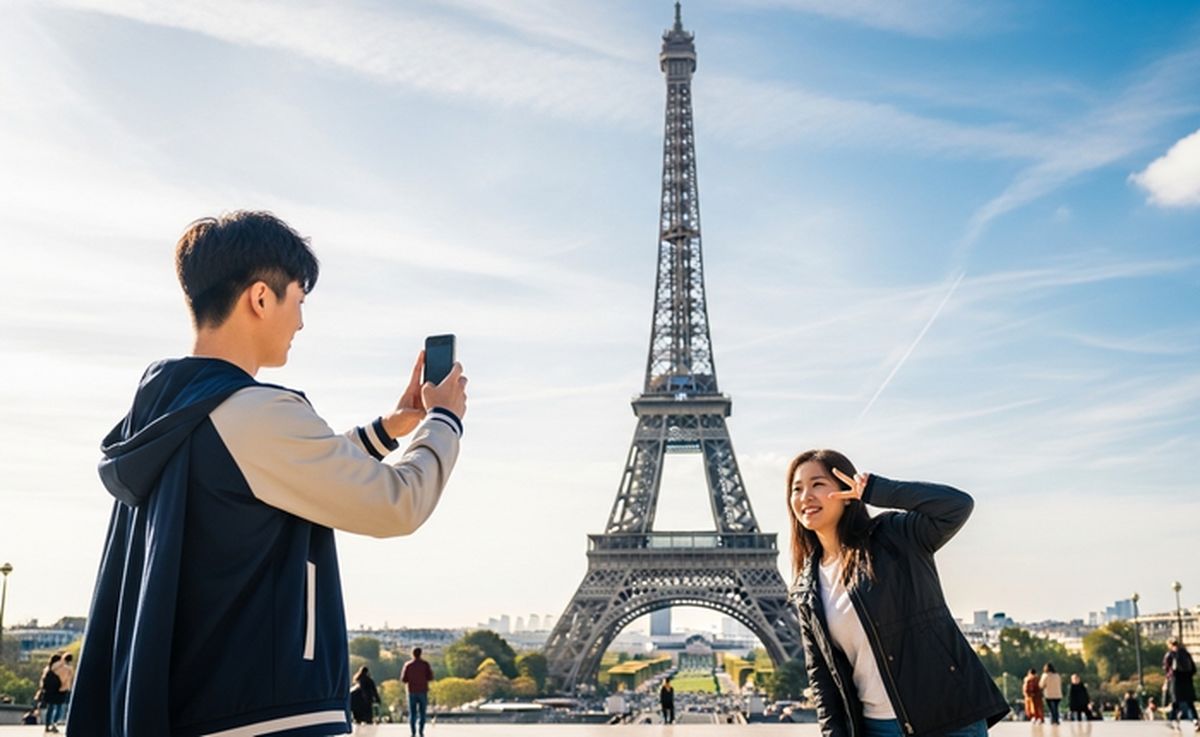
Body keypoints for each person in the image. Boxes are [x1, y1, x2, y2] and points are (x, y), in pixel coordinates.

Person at [68, 211, 468, 737]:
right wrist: (444, 422)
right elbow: (398, 504)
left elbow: (276, 474)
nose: (301, 322)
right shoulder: (256, 412)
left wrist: (386, 430)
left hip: (198, 705)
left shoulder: (170, 411)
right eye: (299, 301)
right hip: (268, 710)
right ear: (260, 298)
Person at [787, 449, 1009, 737]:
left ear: (846, 492)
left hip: (947, 715)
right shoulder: (807, 587)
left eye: (817, 484)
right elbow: (822, 676)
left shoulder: (894, 536)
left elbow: (957, 505)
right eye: (797, 489)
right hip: (876, 727)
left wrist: (875, 490)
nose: (806, 496)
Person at [401, 647, 435, 737]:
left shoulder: (408, 665)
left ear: (412, 654)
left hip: (411, 691)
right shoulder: (425, 664)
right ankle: (421, 731)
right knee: (422, 713)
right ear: (421, 654)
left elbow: (404, 679)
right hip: (423, 690)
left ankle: (413, 732)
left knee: (412, 713)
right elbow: (430, 677)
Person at [1165, 638, 1198, 731]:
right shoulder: (1186, 654)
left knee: (1175, 702)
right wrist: (1188, 676)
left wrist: (1168, 679)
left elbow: (1167, 669)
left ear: (1170, 645)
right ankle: (1195, 721)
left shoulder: (1170, 654)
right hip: (1187, 681)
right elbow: (1194, 669)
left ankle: (1174, 722)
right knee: (1190, 703)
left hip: (1176, 681)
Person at [38, 654, 66, 733]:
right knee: (59, 708)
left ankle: (47, 725)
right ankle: (54, 724)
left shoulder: (47, 669)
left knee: (50, 708)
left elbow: (43, 681)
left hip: (49, 691)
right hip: (58, 691)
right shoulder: (60, 669)